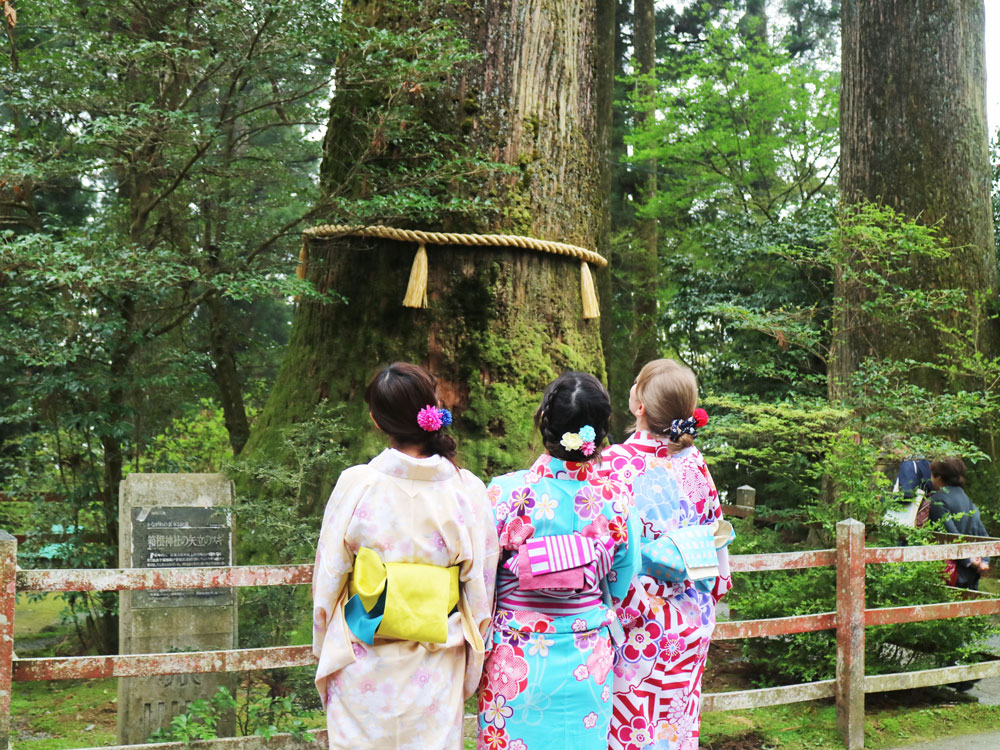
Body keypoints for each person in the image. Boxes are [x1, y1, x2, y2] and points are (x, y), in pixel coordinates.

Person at [312, 362, 499, 750]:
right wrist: (472, 660)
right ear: (433, 412)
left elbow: (329, 577)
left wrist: (326, 644)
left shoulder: (357, 483)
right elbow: (480, 590)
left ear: (377, 422)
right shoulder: (466, 489)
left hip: (364, 655)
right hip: (437, 658)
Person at [478, 372, 640, 750]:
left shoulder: (506, 492)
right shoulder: (615, 499)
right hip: (588, 652)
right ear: (599, 434)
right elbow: (623, 574)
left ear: (544, 421)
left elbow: (482, 576)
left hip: (516, 656)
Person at [601, 358, 731, 750]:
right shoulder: (696, 465)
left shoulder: (612, 465)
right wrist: (711, 593)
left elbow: (605, 545)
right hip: (691, 617)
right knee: (676, 725)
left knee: (631, 728)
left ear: (640, 405)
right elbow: (718, 537)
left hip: (635, 620)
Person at [929, 457, 990, 590]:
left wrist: (969, 561)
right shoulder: (966, 498)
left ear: (939, 477)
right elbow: (982, 533)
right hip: (971, 573)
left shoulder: (938, 500)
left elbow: (949, 535)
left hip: (952, 572)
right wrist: (983, 561)